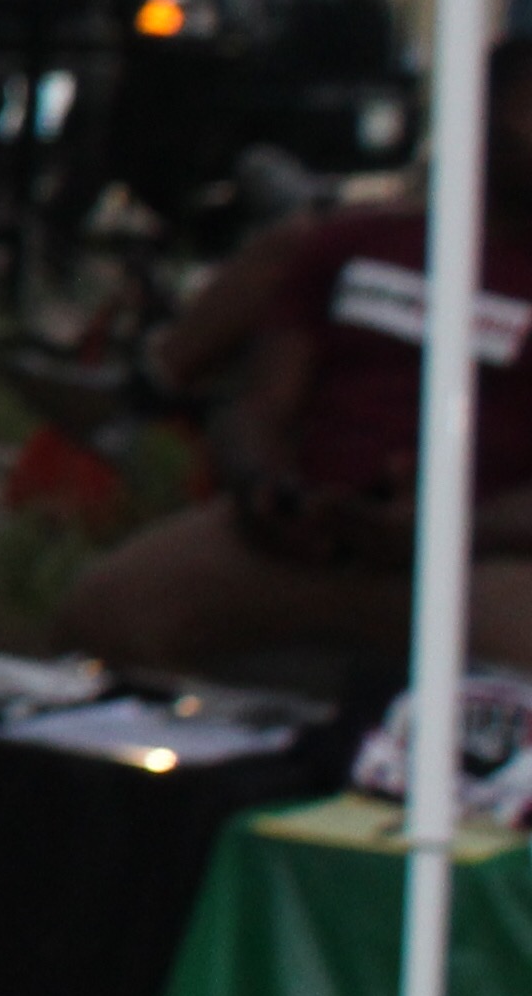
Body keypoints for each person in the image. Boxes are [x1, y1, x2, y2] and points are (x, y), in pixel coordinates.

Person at [55, 39, 532, 672]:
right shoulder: (357, 241)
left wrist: (455, 531)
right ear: (479, 119)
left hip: (477, 562)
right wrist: (265, 490)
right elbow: (262, 407)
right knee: (106, 609)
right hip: (305, 538)